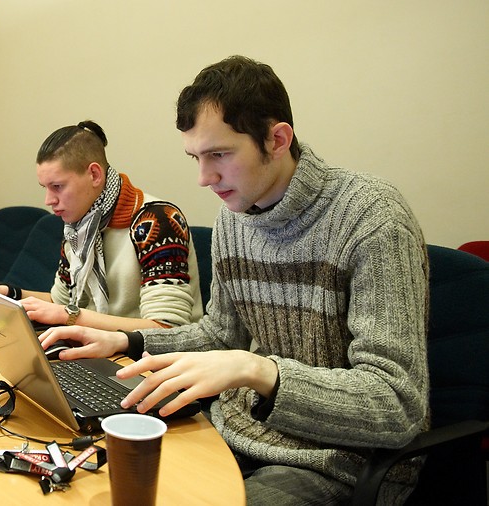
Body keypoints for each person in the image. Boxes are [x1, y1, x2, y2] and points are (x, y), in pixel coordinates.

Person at [40, 57, 429, 505]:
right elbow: (221, 335)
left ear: (277, 140)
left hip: (340, 461)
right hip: (237, 432)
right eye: (196, 158)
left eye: (219, 155)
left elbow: (397, 405)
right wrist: (127, 342)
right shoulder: (234, 218)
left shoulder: (371, 219)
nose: (204, 179)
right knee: (91, 484)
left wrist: (260, 371)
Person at [0, 120, 204, 332]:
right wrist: (7, 294)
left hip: (150, 354)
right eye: (45, 187)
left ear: (95, 174)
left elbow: (167, 328)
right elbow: (60, 303)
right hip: (97, 346)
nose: (48, 200)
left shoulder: (157, 219)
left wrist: (70, 317)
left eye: (57, 186)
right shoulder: (79, 225)